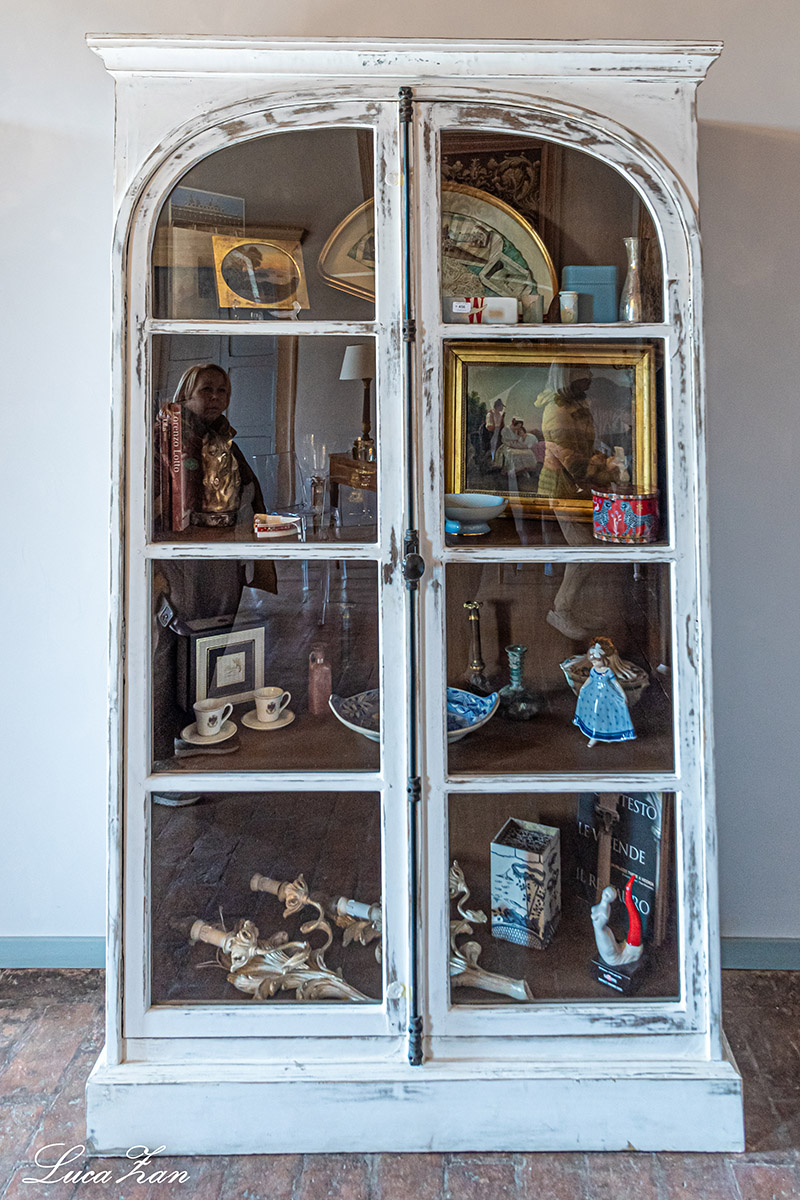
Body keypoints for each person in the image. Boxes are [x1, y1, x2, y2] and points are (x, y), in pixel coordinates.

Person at [573, 640, 636, 748]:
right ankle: (594, 735)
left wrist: (622, 694)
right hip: (594, 693)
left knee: (605, 714)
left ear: (603, 659)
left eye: (596, 661)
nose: (594, 664)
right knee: (594, 711)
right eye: (593, 662)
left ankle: (606, 734)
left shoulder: (607, 671)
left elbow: (615, 683)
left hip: (606, 694)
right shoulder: (593, 670)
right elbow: (590, 680)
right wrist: (583, 688)